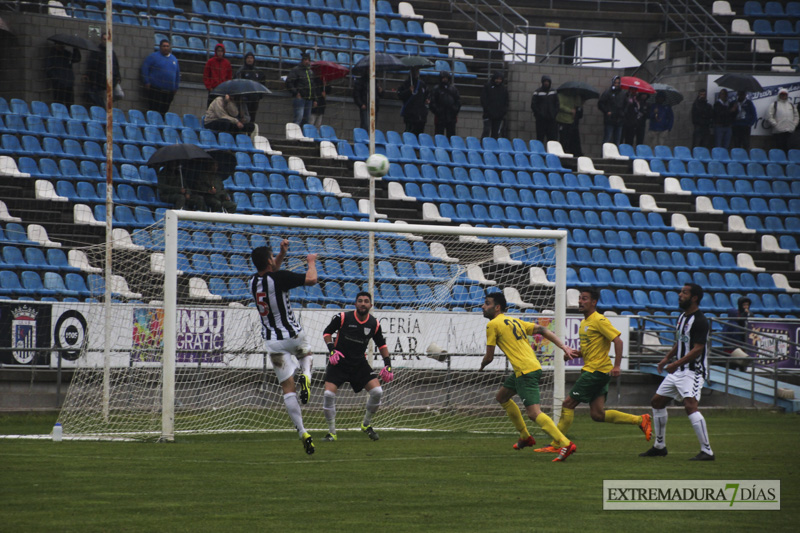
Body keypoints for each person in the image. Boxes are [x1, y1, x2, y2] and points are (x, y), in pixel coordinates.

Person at [534, 288, 652, 454]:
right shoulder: (584, 323)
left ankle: (557, 444)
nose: (580, 302)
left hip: (595, 372)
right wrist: (575, 354)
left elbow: (618, 341)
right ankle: (640, 420)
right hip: (596, 372)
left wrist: (617, 365)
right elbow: (590, 349)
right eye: (580, 298)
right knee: (597, 414)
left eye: (584, 299)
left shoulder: (599, 320)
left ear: (594, 302)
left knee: (568, 404)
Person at [479, 292, 578, 462]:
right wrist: (564, 346)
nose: (483, 306)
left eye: (487, 303)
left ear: (497, 307)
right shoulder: (515, 321)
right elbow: (543, 329)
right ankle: (525, 436)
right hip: (527, 368)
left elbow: (489, 357)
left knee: (533, 413)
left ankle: (565, 443)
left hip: (525, 371)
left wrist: (480, 367)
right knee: (502, 397)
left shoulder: (493, 325)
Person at [250, 243, 318, 455]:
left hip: (273, 343)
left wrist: (282, 254)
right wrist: (311, 262)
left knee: (288, 390)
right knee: (306, 354)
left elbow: (272, 270)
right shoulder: (280, 278)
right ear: (269, 261)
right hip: (293, 335)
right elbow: (312, 279)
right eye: (273, 257)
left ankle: (302, 432)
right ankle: (306, 375)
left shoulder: (252, 282)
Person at [640, 283, 715, 461]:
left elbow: (697, 349)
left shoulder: (700, 321)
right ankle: (659, 446)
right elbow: (681, 342)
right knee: (657, 402)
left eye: (684, 292)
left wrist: (676, 364)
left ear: (694, 297)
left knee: (690, 406)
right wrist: (667, 358)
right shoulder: (682, 317)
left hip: (693, 372)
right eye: (681, 291)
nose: (680, 295)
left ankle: (707, 451)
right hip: (678, 371)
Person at [321, 292, 394, 442]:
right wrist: (332, 350)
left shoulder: (374, 324)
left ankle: (366, 425)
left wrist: (388, 365)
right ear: (355, 304)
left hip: (359, 364)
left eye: (366, 301)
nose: (363, 303)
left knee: (377, 392)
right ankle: (332, 433)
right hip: (339, 362)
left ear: (370, 305)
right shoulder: (342, 317)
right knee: (328, 395)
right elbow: (327, 333)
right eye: (360, 301)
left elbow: (382, 345)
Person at [141, 39, 180, 115]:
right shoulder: (153, 57)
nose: (166, 48)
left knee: (164, 111)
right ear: (160, 47)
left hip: (169, 92)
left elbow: (177, 74)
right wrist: (146, 81)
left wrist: (176, 87)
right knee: (154, 110)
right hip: (156, 89)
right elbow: (145, 68)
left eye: (167, 46)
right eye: (164, 46)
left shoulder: (174, 59)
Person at [84, 34, 120, 108]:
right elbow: (92, 65)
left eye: (108, 39)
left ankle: (108, 103)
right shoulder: (97, 51)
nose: (106, 41)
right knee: (101, 98)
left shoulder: (112, 52)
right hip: (101, 81)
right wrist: (89, 76)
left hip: (112, 79)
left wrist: (118, 76)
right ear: (101, 40)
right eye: (104, 39)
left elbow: (116, 65)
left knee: (120, 94)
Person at [285, 53, 319, 126]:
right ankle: (295, 135)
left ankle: (303, 135)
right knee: (298, 118)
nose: (307, 62)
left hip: (309, 99)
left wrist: (315, 99)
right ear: (302, 60)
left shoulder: (310, 72)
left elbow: (313, 86)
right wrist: (295, 92)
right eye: (305, 60)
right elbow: (289, 82)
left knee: (306, 120)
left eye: (308, 60)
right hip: (300, 98)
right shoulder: (296, 70)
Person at [45, 42, 81, 106]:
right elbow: (49, 69)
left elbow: (76, 59)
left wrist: (75, 49)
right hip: (59, 84)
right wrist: (57, 79)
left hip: (68, 83)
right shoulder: (52, 54)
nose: (62, 46)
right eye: (60, 44)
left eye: (63, 44)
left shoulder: (66, 54)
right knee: (59, 104)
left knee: (70, 104)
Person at [721, 296, 751, 371]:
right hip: (734, 348)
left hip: (729, 348)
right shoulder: (735, 325)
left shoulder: (727, 323)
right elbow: (736, 336)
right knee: (739, 364)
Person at [234, 52, 266, 123]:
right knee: (244, 117)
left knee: (252, 118)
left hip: (255, 99)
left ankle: (250, 133)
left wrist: (260, 96)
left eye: (251, 58)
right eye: (248, 58)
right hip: (244, 99)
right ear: (245, 59)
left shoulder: (258, 72)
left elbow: (262, 84)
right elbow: (237, 83)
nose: (249, 60)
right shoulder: (241, 71)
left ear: (254, 59)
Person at [765, 88, 799, 152]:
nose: (783, 96)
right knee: (779, 148)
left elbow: (796, 116)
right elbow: (769, 116)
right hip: (778, 132)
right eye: (782, 94)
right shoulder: (774, 104)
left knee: (788, 148)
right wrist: (776, 125)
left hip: (789, 131)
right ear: (779, 95)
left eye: (785, 94)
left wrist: (794, 125)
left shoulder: (791, 105)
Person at [398, 66, 429, 134]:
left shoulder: (422, 84)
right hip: (410, 116)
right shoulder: (406, 84)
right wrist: (408, 91)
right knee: (409, 133)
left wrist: (427, 99)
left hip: (421, 116)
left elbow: (426, 95)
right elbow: (400, 95)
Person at [428, 71, 461, 137]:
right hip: (440, 117)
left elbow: (458, 101)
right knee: (439, 136)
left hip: (451, 117)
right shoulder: (436, 89)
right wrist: (438, 111)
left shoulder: (453, 89)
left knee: (451, 136)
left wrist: (454, 110)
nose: (445, 79)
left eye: (446, 78)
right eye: (443, 78)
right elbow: (432, 103)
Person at [530, 75, 559, 143]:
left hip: (551, 120)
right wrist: (539, 115)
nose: (546, 83)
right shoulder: (537, 92)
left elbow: (557, 104)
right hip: (541, 121)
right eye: (545, 81)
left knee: (552, 140)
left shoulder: (553, 92)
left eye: (547, 81)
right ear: (542, 82)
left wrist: (554, 114)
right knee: (540, 139)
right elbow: (533, 105)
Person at [598, 76, 626, 145]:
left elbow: (626, 105)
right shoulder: (608, 92)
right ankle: (604, 155)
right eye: (615, 83)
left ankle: (615, 155)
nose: (616, 84)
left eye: (618, 83)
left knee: (617, 140)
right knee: (607, 139)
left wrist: (623, 113)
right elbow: (600, 103)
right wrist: (607, 111)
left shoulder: (623, 93)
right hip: (610, 120)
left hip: (619, 120)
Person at [480, 71, 508, 139]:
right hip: (488, 114)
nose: (498, 81)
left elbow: (506, 102)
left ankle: (494, 147)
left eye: (500, 79)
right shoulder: (487, 86)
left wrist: (502, 112)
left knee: (495, 133)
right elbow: (483, 100)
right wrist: (488, 110)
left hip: (498, 116)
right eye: (497, 79)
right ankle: (483, 145)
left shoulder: (504, 89)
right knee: (486, 131)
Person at [556, 91, 583, 157]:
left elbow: (577, 105)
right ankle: (563, 152)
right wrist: (570, 110)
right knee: (563, 138)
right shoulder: (560, 95)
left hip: (571, 121)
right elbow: (560, 106)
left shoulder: (575, 96)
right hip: (562, 120)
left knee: (571, 138)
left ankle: (572, 152)